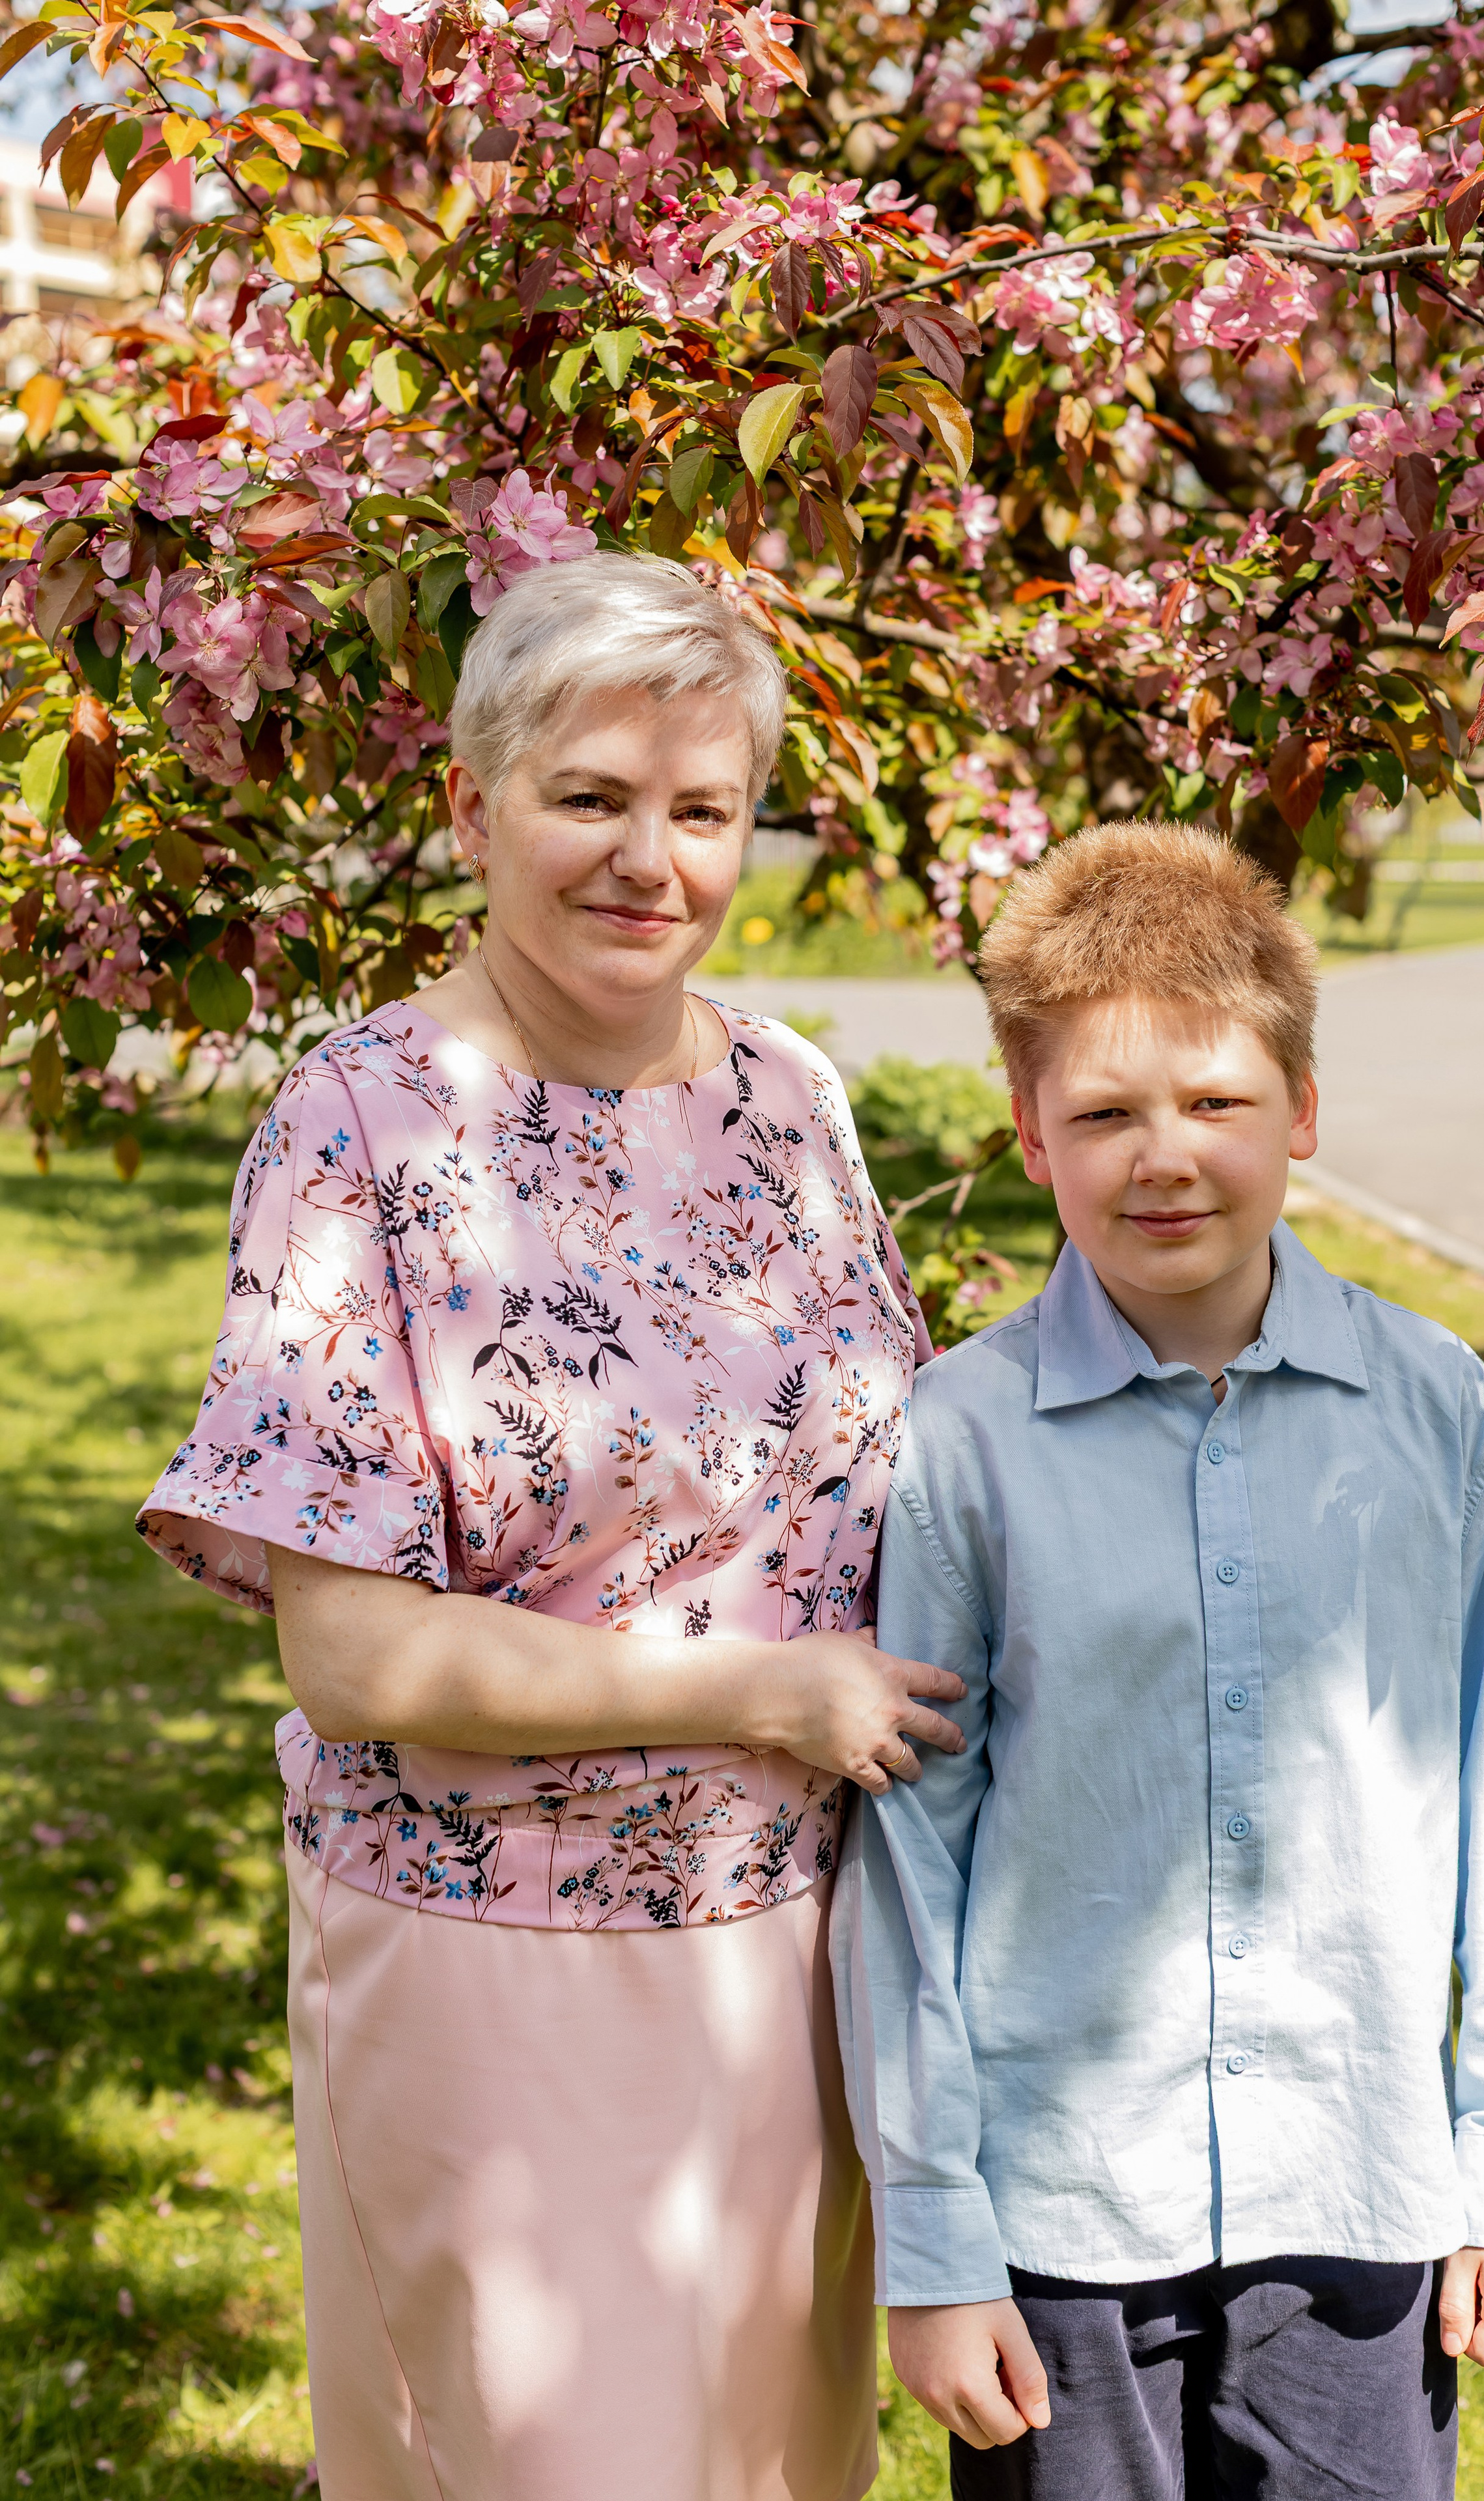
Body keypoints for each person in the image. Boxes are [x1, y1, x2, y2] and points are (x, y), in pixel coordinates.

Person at [138, 552, 966, 2501]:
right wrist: (763, 1689)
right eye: (590, 798)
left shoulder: (793, 1095)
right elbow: (357, 1658)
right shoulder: (360, 1123)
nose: (649, 861)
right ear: (469, 806)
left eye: (703, 811)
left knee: (776, 2472)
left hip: (802, 1957)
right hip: (501, 1968)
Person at [832, 819, 1484, 2501]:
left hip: (1361, 2189)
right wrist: (939, 2238)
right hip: (1064, 2218)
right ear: (1033, 1136)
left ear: (1303, 1113)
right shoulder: (964, 1434)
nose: (1162, 1156)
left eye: (1217, 1105)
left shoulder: (1433, 1409)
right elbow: (908, 1849)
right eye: (1103, 1113)